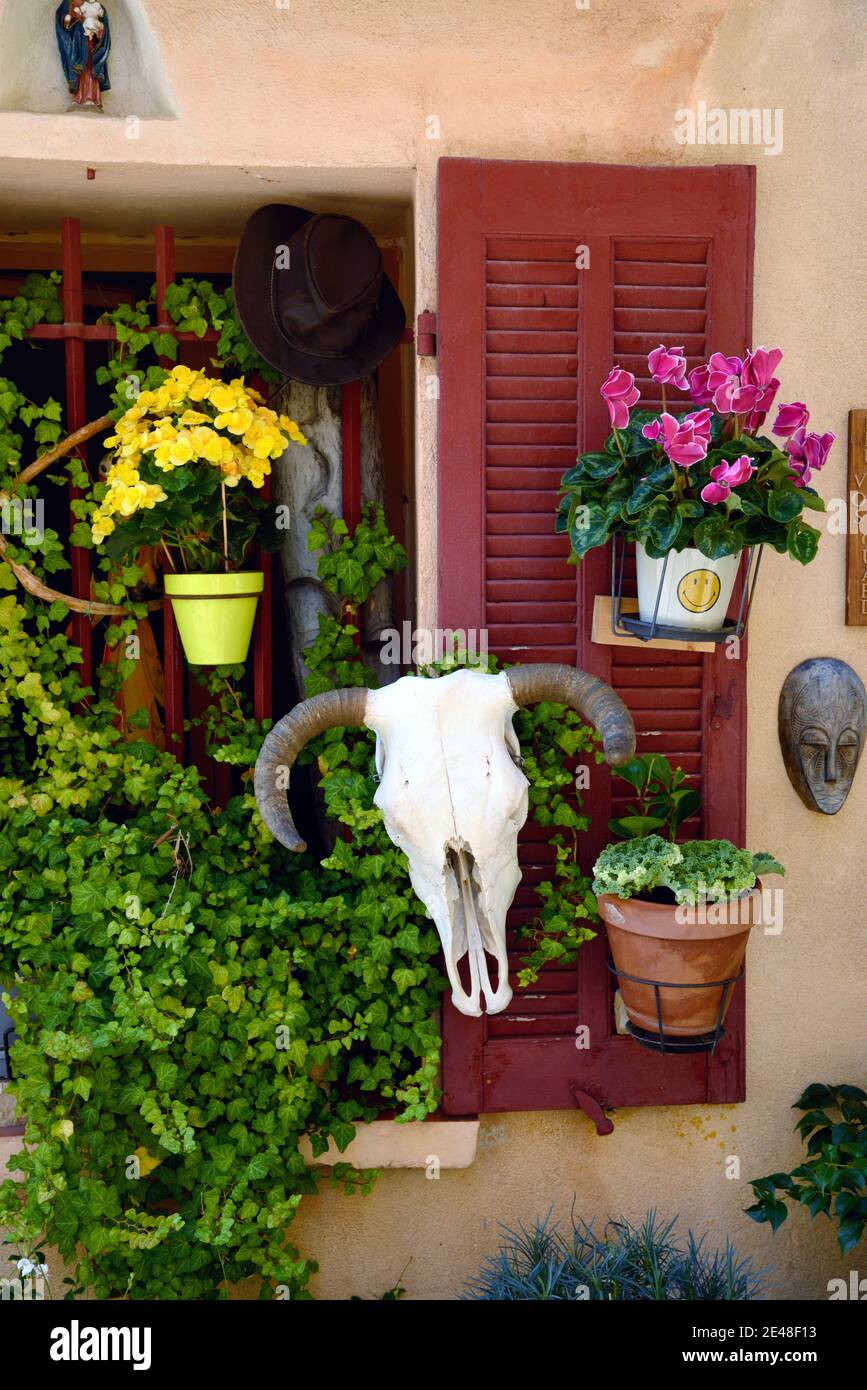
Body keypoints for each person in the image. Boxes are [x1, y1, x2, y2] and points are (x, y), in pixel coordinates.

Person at [55, 1, 111, 110]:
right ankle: (78, 98)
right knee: (79, 69)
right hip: (76, 44)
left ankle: (93, 98)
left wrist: (98, 30)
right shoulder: (69, 2)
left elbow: (103, 24)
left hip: (91, 43)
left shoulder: (96, 5)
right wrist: (70, 18)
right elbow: (63, 22)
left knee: (90, 67)